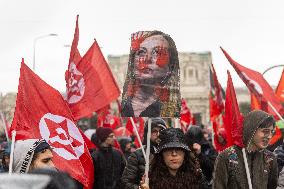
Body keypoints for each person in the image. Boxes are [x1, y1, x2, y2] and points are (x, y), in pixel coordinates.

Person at [121, 30, 181, 117]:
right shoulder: (124, 107)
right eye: (141, 52)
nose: (147, 59)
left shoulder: (170, 111)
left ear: (170, 67)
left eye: (157, 52)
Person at [213, 110, 278, 189]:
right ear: (252, 129)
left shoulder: (270, 158)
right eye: (265, 131)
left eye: (272, 132)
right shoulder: (226, 157)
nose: (269, 136)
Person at [139, 128, 208, 189]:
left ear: (185, 153)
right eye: (169, 149)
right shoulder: (150, 179)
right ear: (161, 154)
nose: (174, 154)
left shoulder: (197, 177)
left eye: (178, 149)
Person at [121, 117, 167, 189]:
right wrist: (140, 188)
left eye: (161, 130)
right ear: (148, 134)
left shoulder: (170, 153)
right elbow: (126, 182)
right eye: (154, 131)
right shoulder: (137, 155)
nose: (158, 134)